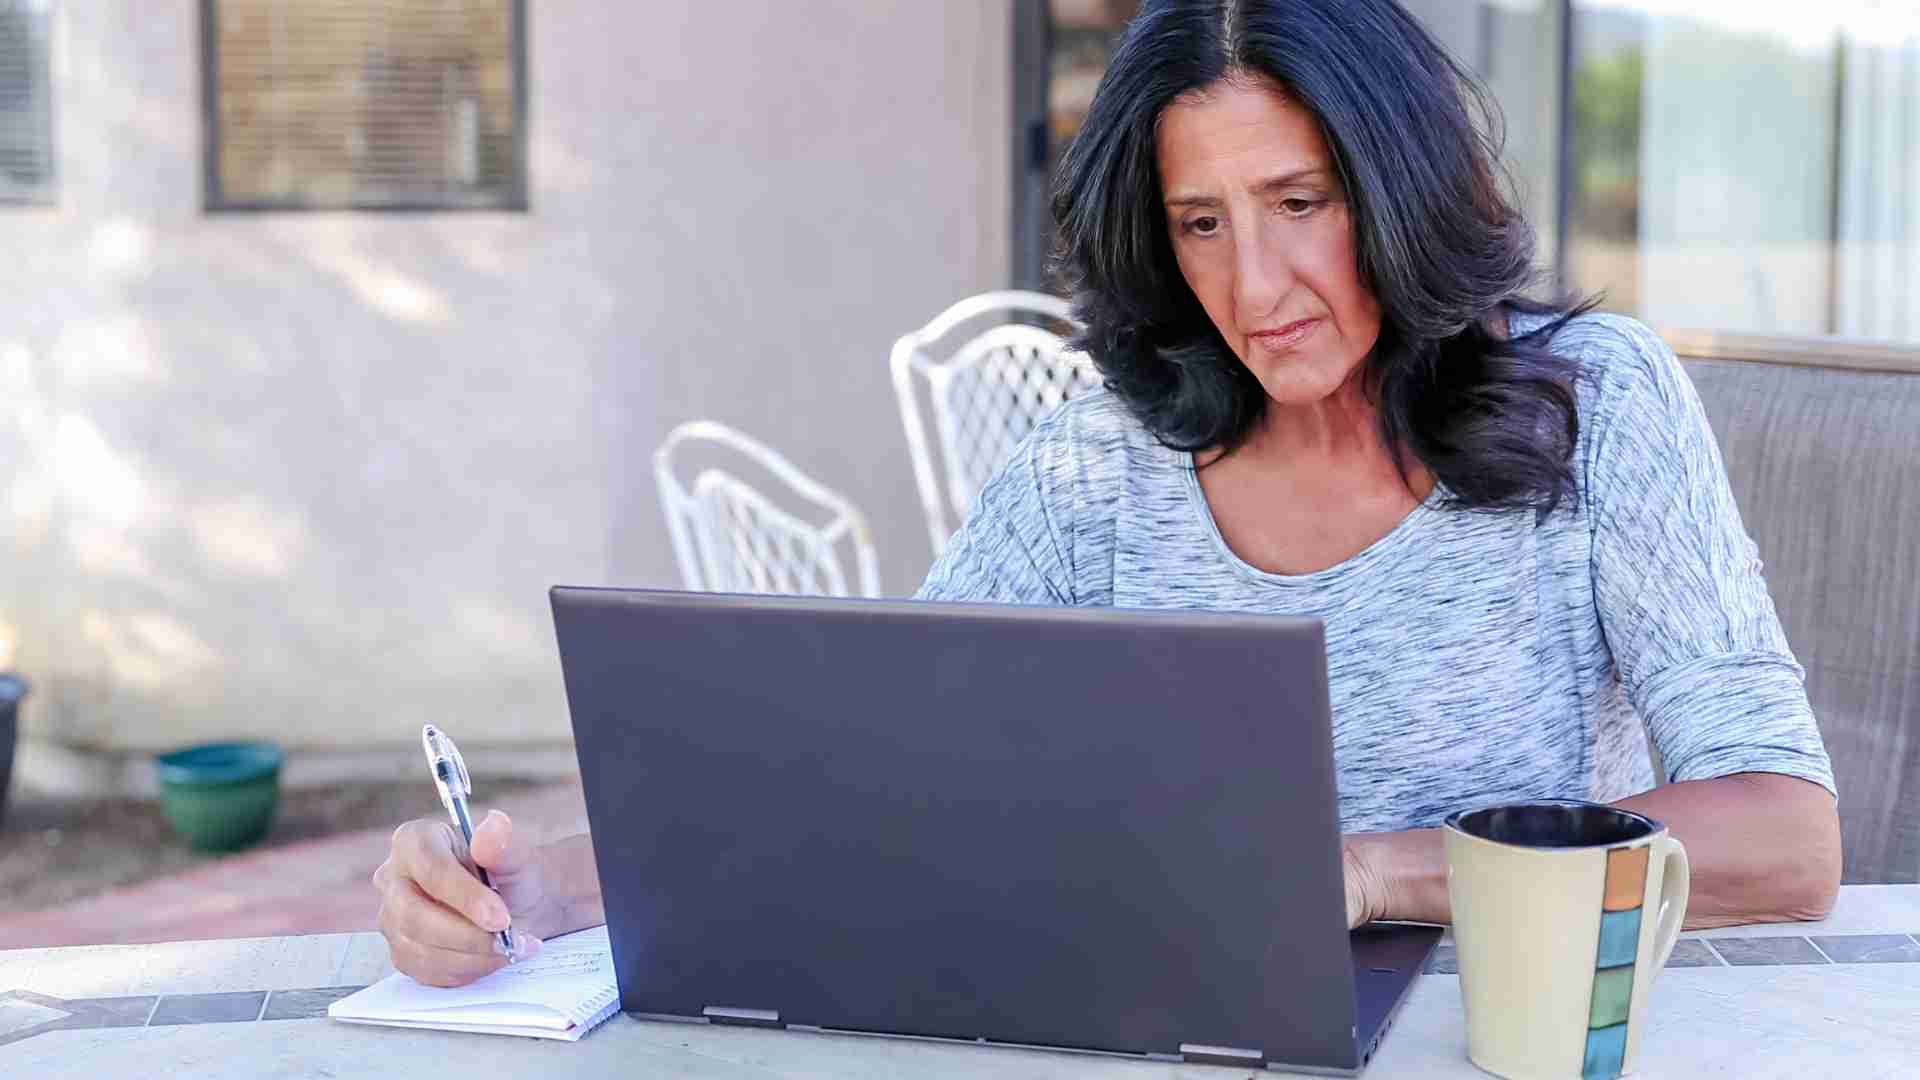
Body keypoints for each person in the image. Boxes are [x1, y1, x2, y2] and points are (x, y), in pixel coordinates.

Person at [372, 0, 1840, 988]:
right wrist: (545, 892)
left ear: (1403, 185)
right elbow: (874, 773)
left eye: (1301, 203)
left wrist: (1364, 876)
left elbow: (1784, 842)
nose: (1254, 289)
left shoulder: (1597, 400)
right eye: (1201, 224)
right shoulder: (1102, 456)